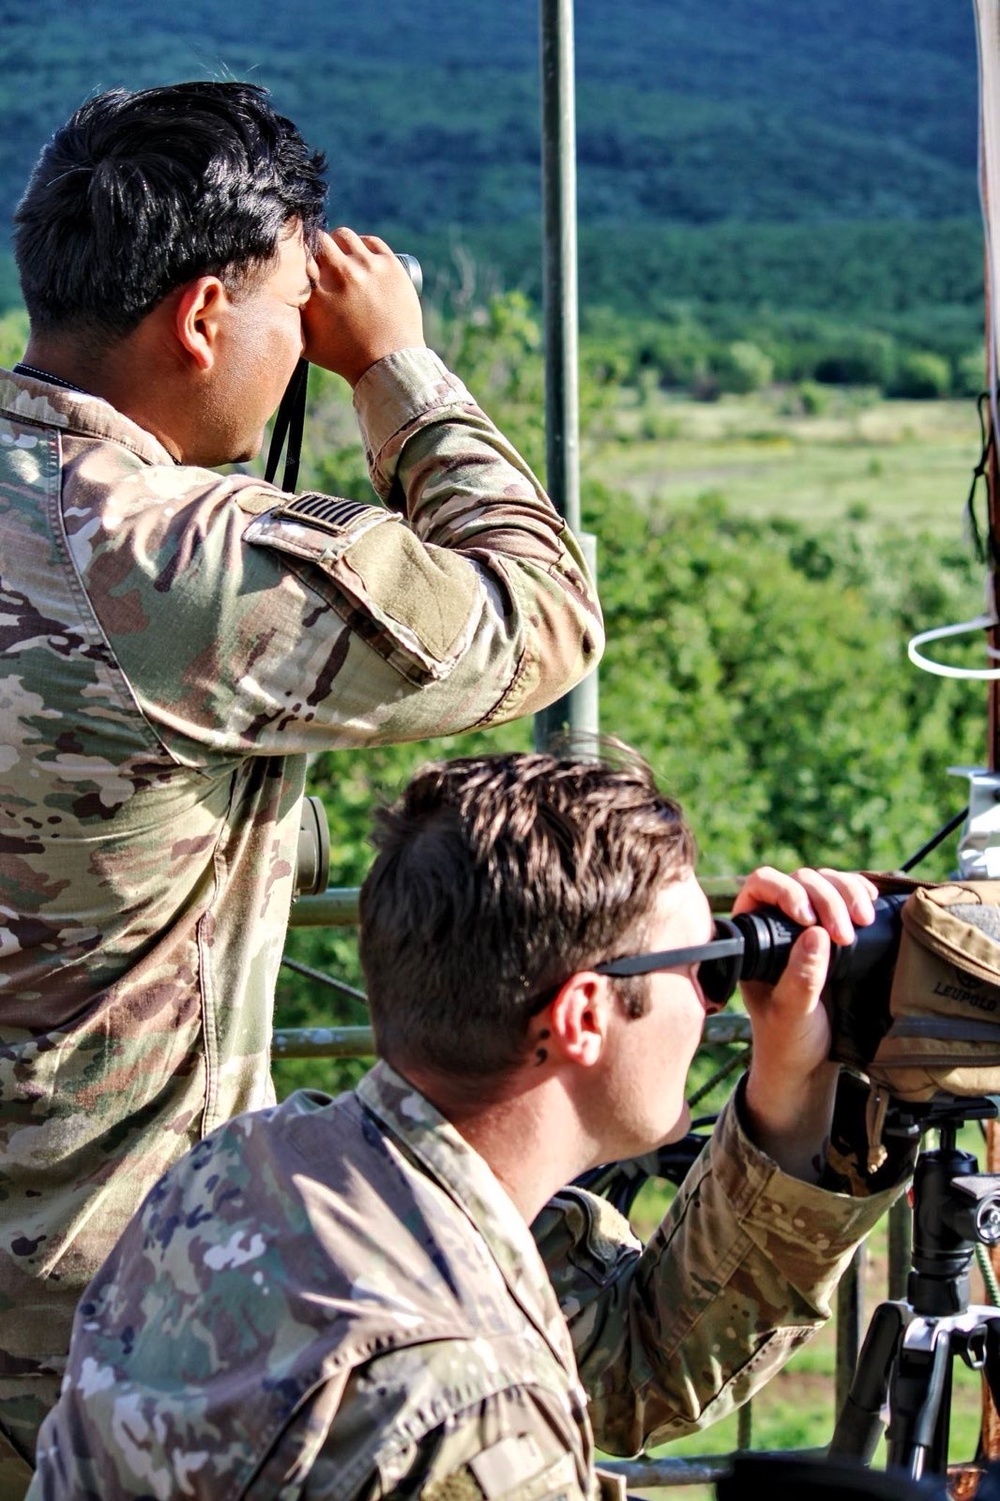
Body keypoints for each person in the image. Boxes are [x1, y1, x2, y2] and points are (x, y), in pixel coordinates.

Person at [0, 81, 602, 1486]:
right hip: (109, 1331)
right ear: (203, 317)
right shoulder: (178, 564)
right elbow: (540, 611)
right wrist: (392, 366)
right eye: (286, 318)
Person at [27, 746, 916, 1501]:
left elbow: (635, 1363)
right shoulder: (468, 1405)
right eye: (708, 970)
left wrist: (790, 1087)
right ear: (581, 1017)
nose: (718, 1004)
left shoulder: (242, 1173)